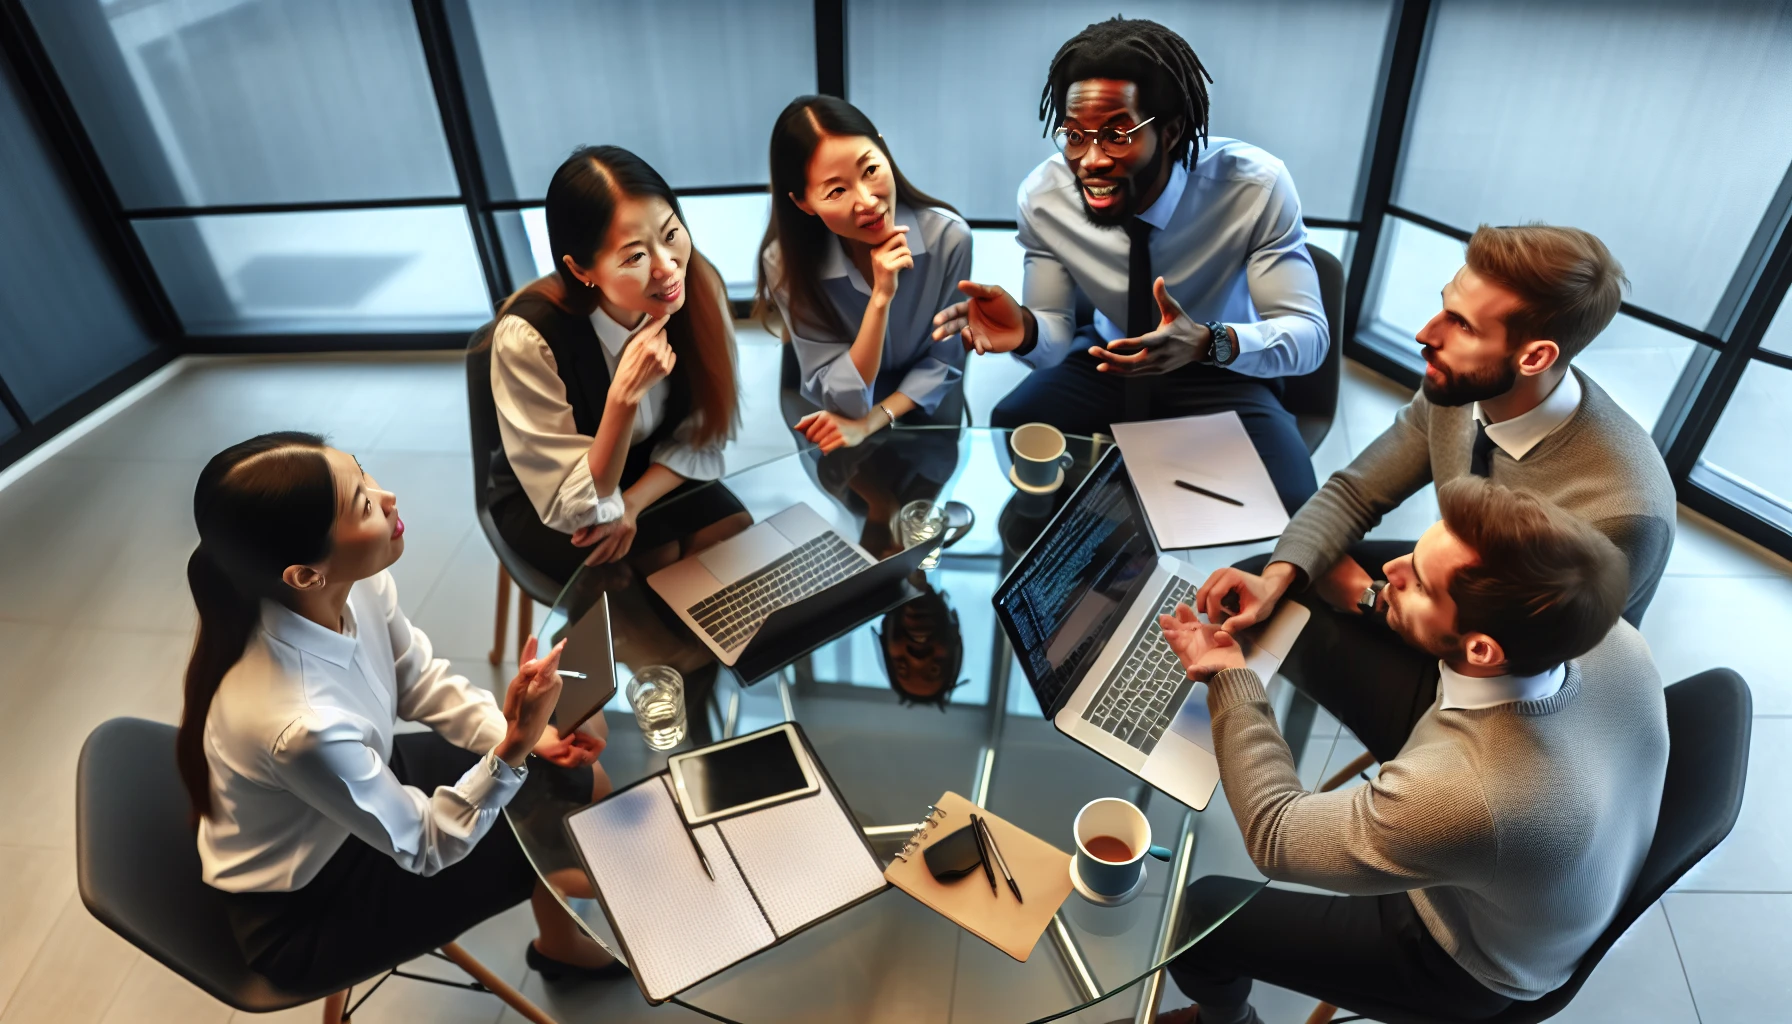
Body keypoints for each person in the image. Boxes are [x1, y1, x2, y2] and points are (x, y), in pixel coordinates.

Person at [1143, 478, 1669, 1024]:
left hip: (1463, 958)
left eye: (1416, 582)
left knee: (1202, 918)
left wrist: (1230, 677)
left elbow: (1273, 834)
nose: (1388, 571)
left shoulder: (1462, 794)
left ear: (1482, 649)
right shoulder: (1610, 638)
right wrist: (1375, 601)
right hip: (1535, 862)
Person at [180, 433, 625, 990]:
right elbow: (427, 844)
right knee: (560, 846)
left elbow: (416, 678)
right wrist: (513, 746)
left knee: (574, 779)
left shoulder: (351, 586)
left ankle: (560, 942)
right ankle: (570, 939)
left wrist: (522, 738)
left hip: (357, 787)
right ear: (303, 573)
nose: (387, 497)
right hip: (309, 903)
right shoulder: (299, 725)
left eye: (364, 476)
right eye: (363, 504)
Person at [1195, 224, 1676, 713]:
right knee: (1266, 577)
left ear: (1535, 357)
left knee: (1296, 625)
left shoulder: (1618, 512)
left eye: (1462, 325)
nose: (1426, 335)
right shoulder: (1466, 384)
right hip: (1454, 587)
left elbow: (1519, 662)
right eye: (1444, 306)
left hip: (1509, 687)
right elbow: (1356, 493)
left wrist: (1369, 598)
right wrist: (1279, 577)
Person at [929, 16, 1329, 513]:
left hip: (1214, 366)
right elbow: (1052, 337)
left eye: (1117, 135)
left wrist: (1208, 341)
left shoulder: (1255, 187)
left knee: (1291, 505)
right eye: (1074, 135)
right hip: (1105, 355)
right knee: (1016, 424)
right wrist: (1029, 331)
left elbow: (1309, 336)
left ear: (1171, 131)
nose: (1090, 160)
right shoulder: (1045, 197)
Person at [489, 145, 750, 583]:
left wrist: (632, 503)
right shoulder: (528, 338)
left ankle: (701, 650)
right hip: (552, 490)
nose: (668, 269)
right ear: (580, 268)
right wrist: (623, 397)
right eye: (635, 256)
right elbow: (573, 505)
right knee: (646, 575)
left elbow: (703, 433)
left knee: (732, 534)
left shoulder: (699, 288)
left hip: (649, 466)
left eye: (670, 234)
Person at [757, 95, 971, 453]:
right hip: (839, 391)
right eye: (837, 190)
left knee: (928, 481)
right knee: (845, 474)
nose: (868, 202)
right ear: (803, 202)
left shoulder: (949, 239)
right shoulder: (784, 263)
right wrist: (880, 299)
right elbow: (846, 401)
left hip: (921, 389)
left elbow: (943, 361)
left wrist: (875, 419)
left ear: (883, 151)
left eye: (870, 170)